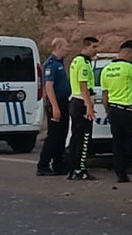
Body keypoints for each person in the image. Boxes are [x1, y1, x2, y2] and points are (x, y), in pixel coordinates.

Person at [100, 40, 132, 183]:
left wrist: (108, 110)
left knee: (117, 143)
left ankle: (121, 174)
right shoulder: (129, 68)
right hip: (128, 111)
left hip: (113, 110)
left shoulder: (106, 69)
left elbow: (104, 95)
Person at [65, 36, 99, 181]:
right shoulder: (84, 64)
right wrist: (89, 107)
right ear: (86, 47)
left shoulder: (76, 61)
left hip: (75, 101)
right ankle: (80, 169)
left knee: (76, 137)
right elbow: (83, 87)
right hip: (81, 102)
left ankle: (73, 168)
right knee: (84, 138)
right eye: (94, 47)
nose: (96, 50)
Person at [37, 38, 71, 176]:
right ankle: (43, 165)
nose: (68, 49)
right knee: (53, 136)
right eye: (66, 47)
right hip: (55, 103)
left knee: (62, 135)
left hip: (63, 102)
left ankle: (58, 164)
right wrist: (55, 107)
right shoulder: (51, 64)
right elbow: (49, 86)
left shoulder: (60, 63)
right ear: (59, 47)